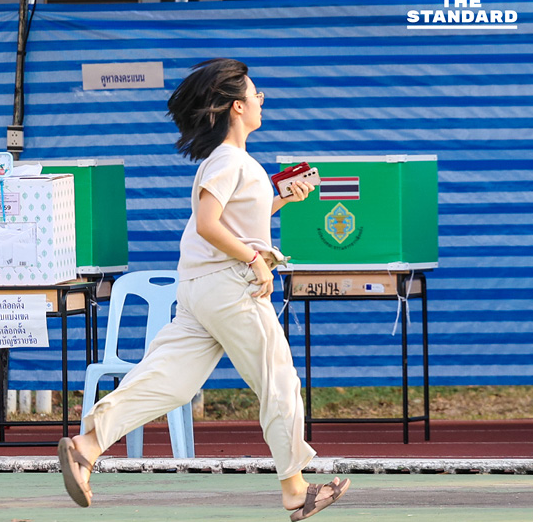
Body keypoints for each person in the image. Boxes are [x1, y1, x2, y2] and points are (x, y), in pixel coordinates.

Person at [58, 58, 350, 521]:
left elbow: (231, 220)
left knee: (169, 380)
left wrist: (279, 199)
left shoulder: (228, 162)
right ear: (237, 107)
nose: (261, 100)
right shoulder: (231, 160)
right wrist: (254, 260)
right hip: (230, 288)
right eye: (255, 94)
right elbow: (209, 224)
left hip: (201, 289)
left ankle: (87, 446)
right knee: (279, 382)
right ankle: (296, 490)